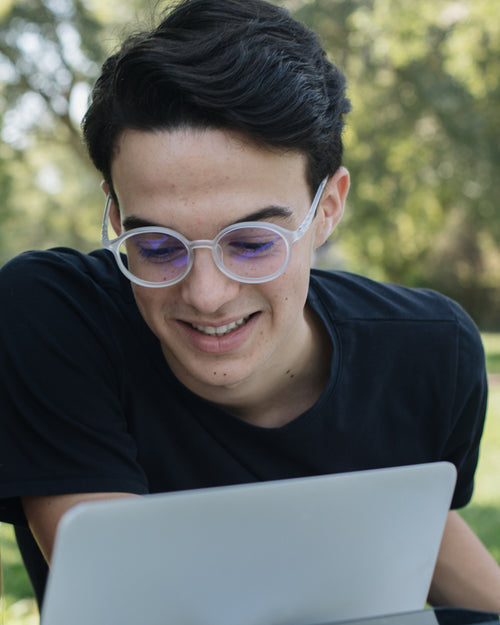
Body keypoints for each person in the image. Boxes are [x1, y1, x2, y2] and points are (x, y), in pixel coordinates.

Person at [0, 0, 499, 614]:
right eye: (156, 246)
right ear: (113, 215)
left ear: (328, 210)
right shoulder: (55, 317)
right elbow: (132, 597)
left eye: (252, 243)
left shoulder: (430, 353)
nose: (206, 295)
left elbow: (412, 529)